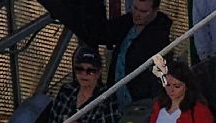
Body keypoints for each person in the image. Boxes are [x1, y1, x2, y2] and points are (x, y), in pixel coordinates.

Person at [39, 0, 172, 109]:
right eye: (135, 8)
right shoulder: (128, 23)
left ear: (155, 11)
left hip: (141, 103)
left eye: (143, 11)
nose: (137, 14)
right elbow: (100, 34)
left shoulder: (159, 39)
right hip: (118, 99)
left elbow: (161, 76)